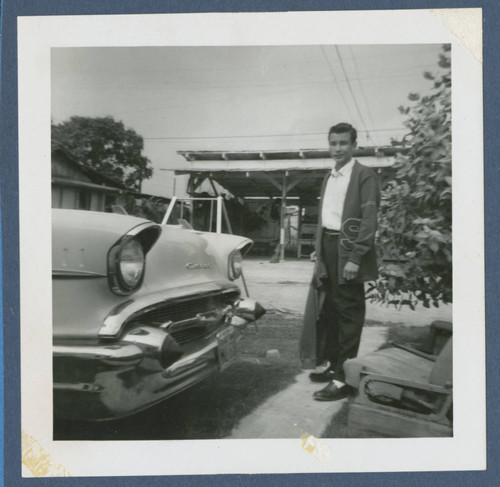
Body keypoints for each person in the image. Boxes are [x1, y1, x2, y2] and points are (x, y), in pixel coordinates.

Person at [299, 123, 380, 401]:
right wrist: (319, 250)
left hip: (349, 250)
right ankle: (334, 366)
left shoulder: (364, 176)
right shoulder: (330, 176)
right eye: (333, 143)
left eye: (343, 143)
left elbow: (369, 219)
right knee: (331, 310)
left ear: (354, 145)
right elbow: (326, 216)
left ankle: (345, 379)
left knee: (348, 313)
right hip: (328, 247)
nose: (337, 148)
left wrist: (355, 257)